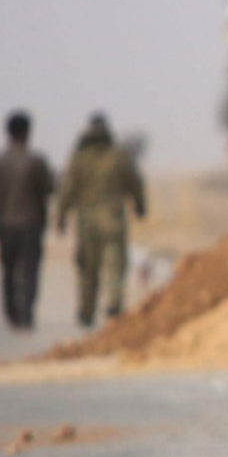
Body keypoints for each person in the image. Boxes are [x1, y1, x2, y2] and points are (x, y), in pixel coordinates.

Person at [57, 113, 148, 328]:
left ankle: (86, 311)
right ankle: (113, 304)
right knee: (115, 263)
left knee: (88, 267)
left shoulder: (79, 158)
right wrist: (140, 206)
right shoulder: (119, 156)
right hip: (113, 218)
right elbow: (135, 183)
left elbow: (67, 190)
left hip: (87, 221)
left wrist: (60, 216)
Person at [0, 111, 55, 330]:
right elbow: (51, 188)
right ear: (27, 132)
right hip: (31, 224)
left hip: (4, 226)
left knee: (8, 271)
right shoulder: (36, 161)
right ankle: (27, 314)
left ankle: (11, 315)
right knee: (29, 271)